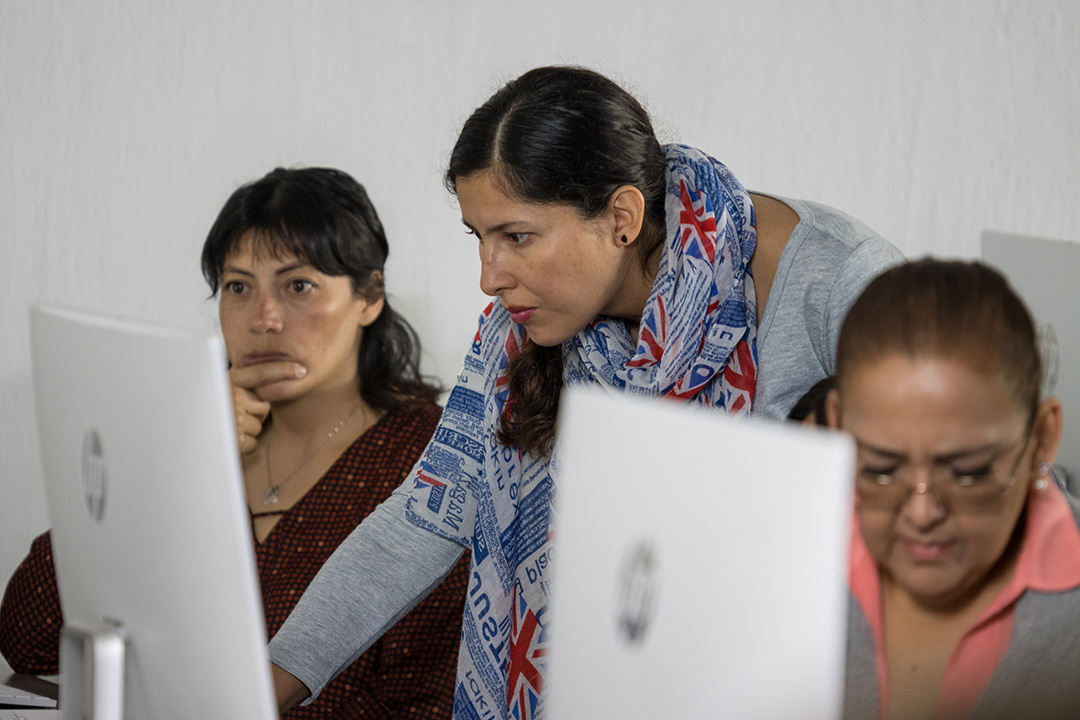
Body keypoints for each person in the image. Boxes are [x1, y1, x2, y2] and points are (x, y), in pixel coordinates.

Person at [270, 65, 904, 719]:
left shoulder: (837, 281)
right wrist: (263, 685)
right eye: (479, 238)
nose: (489, 277)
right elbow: (426, 513)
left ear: (622, 217)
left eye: (517, 237)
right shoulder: (519, 332)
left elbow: (924, 524)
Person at [0, 167, 470, 718]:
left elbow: (422, 701)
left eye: (298, 285)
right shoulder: (186, 437)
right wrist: (175, 451)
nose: (263, 319)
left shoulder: (433, 461)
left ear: (369, 297)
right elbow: (29, 639)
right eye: (238, 287)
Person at [827, 260, 1079, 720]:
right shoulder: (786, 560)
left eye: (968, 472)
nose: (922, 513)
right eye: (881, 469)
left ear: (1042, 438)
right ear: (837, 424)